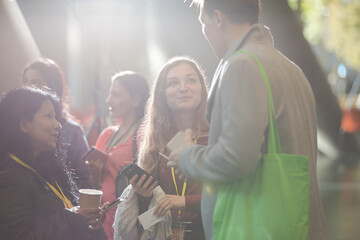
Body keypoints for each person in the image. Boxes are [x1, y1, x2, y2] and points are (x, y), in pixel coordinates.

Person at [167, 1, 328, 240]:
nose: (204, 31)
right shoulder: (290, 68)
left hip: (255, 227)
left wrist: (187, 156)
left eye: (203, 22)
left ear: (218, 18)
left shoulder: (242, 65)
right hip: (295, 223)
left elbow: (236, 158)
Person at [114, 56, 209, 240]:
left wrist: (183, 201)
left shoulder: (217, 136)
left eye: (191, 80)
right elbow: (149, 215)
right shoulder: (156, 140)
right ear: (162, 93)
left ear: (202, 88)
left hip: (209, 232)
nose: (183, 88)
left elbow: (231, 194)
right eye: (173, 83)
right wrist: (143, 196)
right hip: (165, 232)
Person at [0, 87, 106, 240]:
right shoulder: (10, 178)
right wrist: (73, 219)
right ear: (24, 124)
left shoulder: (45, 168)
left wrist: (87, 222)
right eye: (48, 116)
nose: (58, 125)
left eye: (55, 116)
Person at [21, 58, 92, 196]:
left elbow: (83, 180)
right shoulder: (16, 124)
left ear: (53, 88)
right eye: (25, 82)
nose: (28, 88)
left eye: (35, 83)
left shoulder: (72, 131)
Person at [95, 71, 149, 240]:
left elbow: (151, 185)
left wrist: (145, 225)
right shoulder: (106, 134)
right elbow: (98, 181)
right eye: (110, 94)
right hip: (105, 219)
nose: (108, 100)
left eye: (116, 94)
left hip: (129, 221)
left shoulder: (143, 135)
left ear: (135, 100)